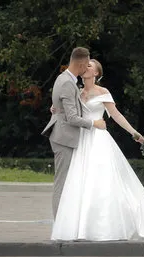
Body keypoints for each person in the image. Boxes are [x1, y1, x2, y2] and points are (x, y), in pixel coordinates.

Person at [51, 59, 144, 241]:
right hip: (81, 141)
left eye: (90, 66)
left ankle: (103, 227)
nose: (86, 67)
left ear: (96, 74)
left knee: (99, 182)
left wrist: (135, 134)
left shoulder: (103, 92)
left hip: (98, 140)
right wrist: (55, 108)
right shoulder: (76, 92)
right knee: (79, 182)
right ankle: (79, 229)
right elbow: (67, 112)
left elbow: (116, 115)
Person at [42, 47, 106, 218]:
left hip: (65, 136)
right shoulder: (68, 83)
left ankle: (66, 223)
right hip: (64, 139)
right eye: (87, 64)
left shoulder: (64, 79)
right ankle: (59, 227)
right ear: (82, 63)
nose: (87, 68)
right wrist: (95, 123)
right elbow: (72, 118)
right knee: (62, 184)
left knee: (68, 183)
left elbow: (63, 108)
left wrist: (57, 110)